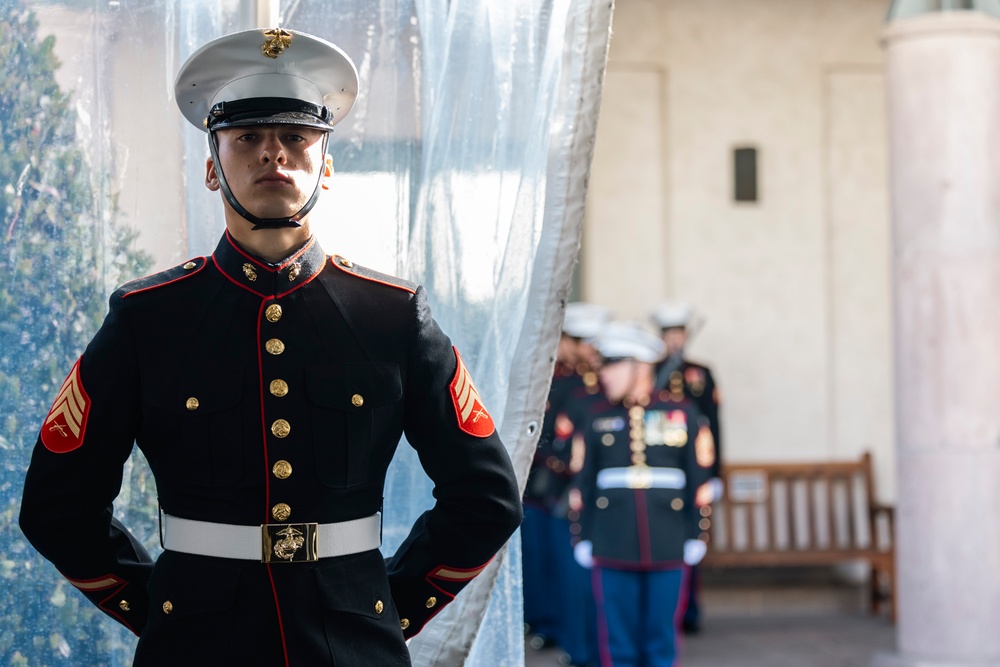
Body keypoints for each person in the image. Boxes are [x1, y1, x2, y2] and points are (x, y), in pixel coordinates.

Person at [18, 28, 522, 666]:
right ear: (211, 167)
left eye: (294, 138)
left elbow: (487, 499)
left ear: (326, 166)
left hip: (353, 647)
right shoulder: (149, 319)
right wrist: (161, 608)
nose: (272, 156)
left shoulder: (391, 316)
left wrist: (384, 607)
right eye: (248, 139)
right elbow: (57, 505)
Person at [572, 321, 715, 667]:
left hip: (668, 541)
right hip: (612, 542)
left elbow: (700, 482)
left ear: (639, 366)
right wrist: (583, 536)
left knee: (661, 642)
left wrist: (698, 532)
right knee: (618, 644)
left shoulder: (681, 414)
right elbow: (584, 485)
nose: (603, 374)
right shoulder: (596, 418)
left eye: (612, 364)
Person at [523, 302, 608, 665]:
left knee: (580, 579)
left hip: (580, 494)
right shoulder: (554, 380)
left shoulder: (587, 390)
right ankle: (565, 636)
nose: (586, 350)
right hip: (548, 492)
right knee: (554, 571)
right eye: (578, 340)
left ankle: (584, 647)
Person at [650, 300, 722, 633]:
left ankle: (690, 611)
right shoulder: (649, 372)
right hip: (661, 470)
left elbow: (714, 426)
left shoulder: (701, 373)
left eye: (679, 333)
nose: (675, 340)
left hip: (694, 468)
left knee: (693, 540)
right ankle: (669, 613)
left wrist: (715, 473)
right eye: (669, 334)